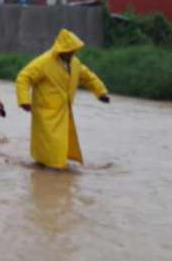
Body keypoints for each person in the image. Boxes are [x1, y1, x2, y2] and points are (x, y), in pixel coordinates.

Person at [16, 29, 110, 169]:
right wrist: (24, 100)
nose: (73, 53)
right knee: (54, 149)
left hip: (63, 113)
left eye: (74, 50)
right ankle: (53, 176)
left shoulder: (75, 63)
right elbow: (24, 77)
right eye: (70, 50)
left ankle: (46, 169)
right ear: (62, 49)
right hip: (46, 114)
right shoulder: (44, 62)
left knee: (56, 148)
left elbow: (88, 77)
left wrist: (101, 92)